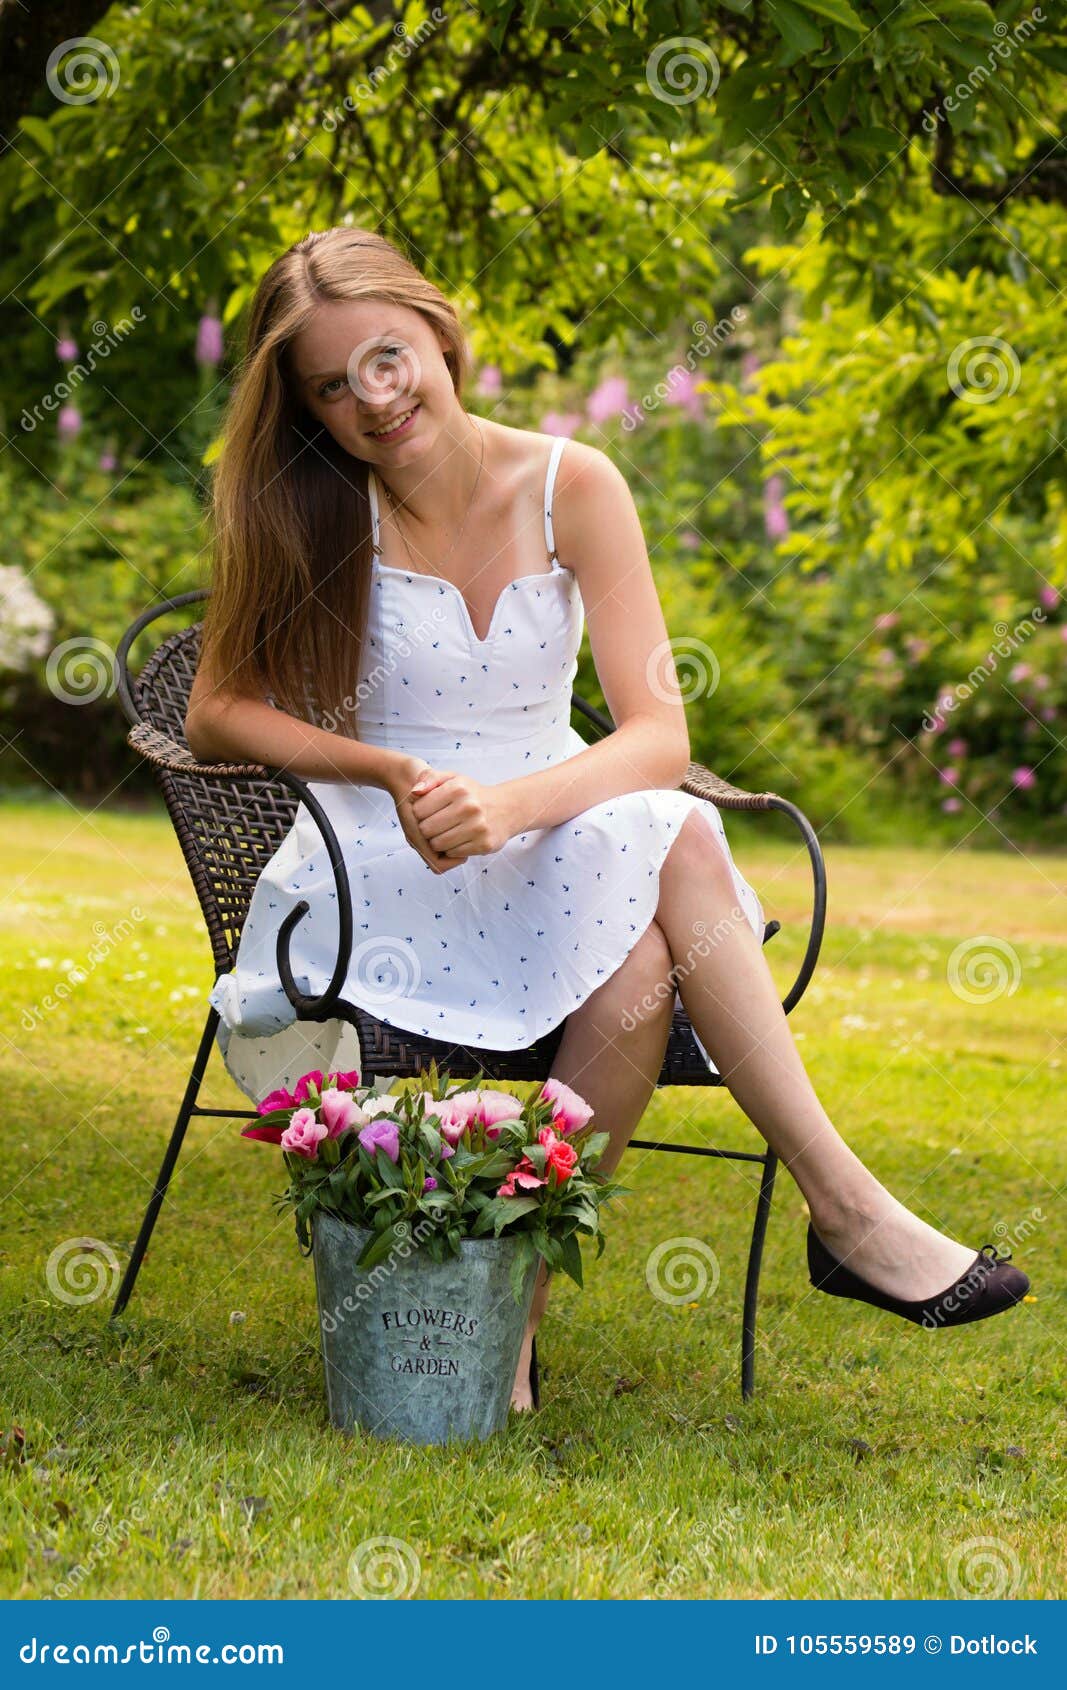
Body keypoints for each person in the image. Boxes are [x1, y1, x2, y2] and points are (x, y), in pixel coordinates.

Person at [188, 226, 1030, 1415]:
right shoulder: (311, 513)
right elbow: (215, 709)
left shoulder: (569, 484)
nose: (371, 399)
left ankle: (538, 1320)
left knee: (658, 838)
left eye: (387, 357)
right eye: (330, 386)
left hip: (553, 828)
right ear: (309, 408)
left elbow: (656, 738)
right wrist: (384, 772)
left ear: (437, 333)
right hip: (382, 857)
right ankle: (835, 1213)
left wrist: (513, 805)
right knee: (658, 863)